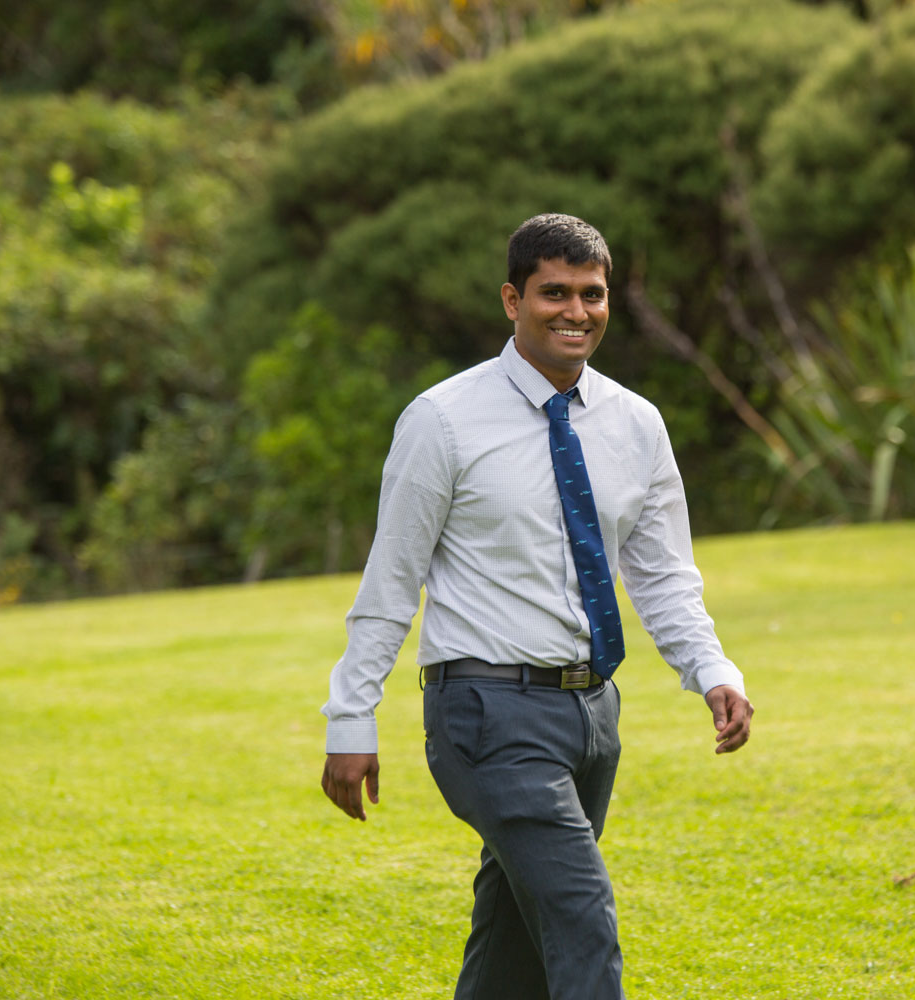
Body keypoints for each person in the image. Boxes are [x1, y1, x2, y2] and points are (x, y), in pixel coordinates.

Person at [321, 212, 754, 1000]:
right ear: (512, 300)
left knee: (516, 933)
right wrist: (351, 717)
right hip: (484, 712)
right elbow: (391, 581)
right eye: (555, 293)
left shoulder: (636, 424)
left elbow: (661, 574)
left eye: (593, 294)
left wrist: (710, 667)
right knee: (581, 914)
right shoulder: (443, 420)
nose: (576, 312)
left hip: (593, 715)